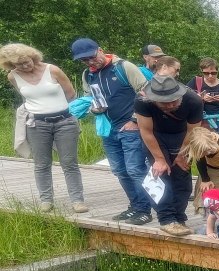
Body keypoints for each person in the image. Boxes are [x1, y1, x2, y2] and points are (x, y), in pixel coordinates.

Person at [72, 37, 151, 224]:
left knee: (135, 170)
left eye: (92, 57)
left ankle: (145, 210)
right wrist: (93, 109)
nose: (91, 62)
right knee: (119, 170)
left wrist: (134, 120)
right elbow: (88, 99)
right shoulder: (87, 75)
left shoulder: (124, 67)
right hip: (108, 128)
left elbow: (148, 94)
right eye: (85, 60)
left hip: (131, 127)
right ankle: (135, 206)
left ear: (100, 50)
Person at [1, 43, 87, 213]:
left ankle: (77, 200)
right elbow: (27, 97)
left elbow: (71, 94)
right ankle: (46, 200)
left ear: (32, 57)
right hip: (37, 124)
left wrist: (57, 109)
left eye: (27, 62)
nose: (25, 66)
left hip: (64, 121)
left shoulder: (52, 70)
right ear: (12, 65)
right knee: (41, 163)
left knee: (69, 162)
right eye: (20, 65)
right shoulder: (13, 77)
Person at [135, 75, 204, 236]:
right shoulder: (142, 100)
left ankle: (179, 218)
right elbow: (146, 131)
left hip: (183, 136)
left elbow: (193, 130)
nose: (170, 105)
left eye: (174, 101)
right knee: (162, 175)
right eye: (164, 103)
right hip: (156, 137)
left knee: (182, 177)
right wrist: (159, 159)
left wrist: (181, 155)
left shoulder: (193, 100)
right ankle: (166, 219)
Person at [187, 57, 219, 137]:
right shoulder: (196, 82)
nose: (210, 76)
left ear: (218, 70)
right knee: (202, 146)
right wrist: (200, 98)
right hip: (200, 121)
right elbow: (185, 100)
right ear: (202, 71)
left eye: (213, 73)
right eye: (206, 73)